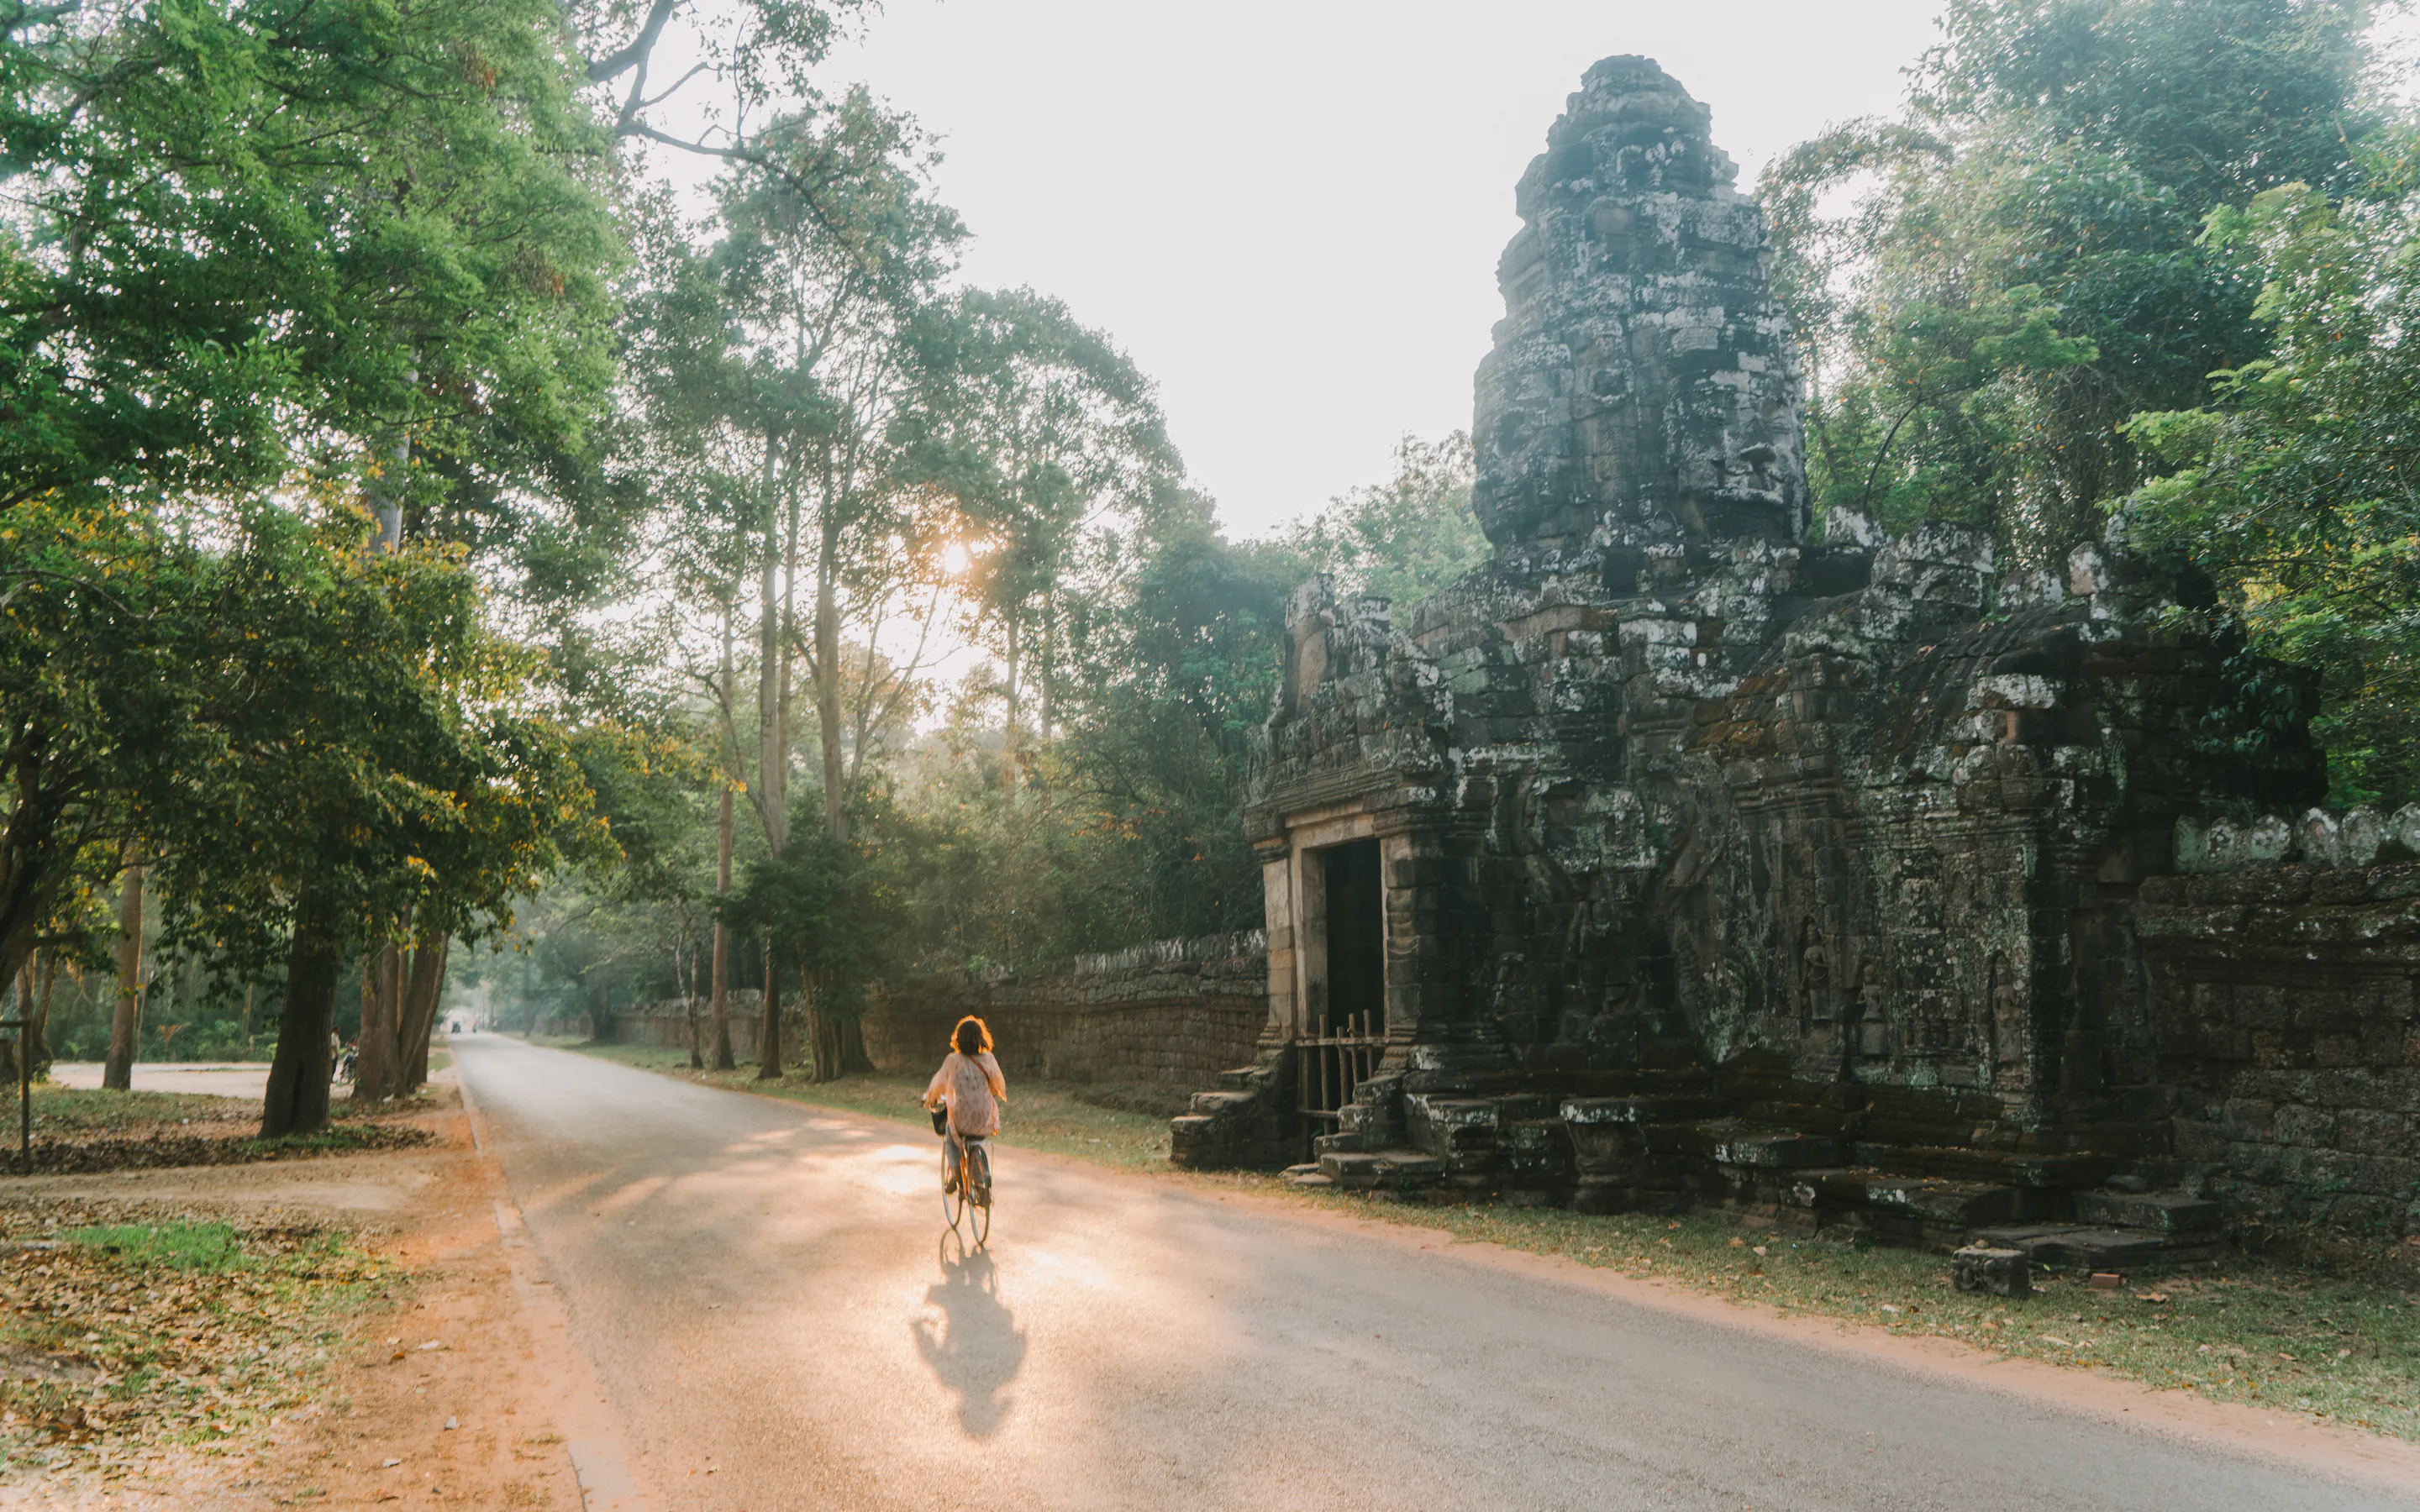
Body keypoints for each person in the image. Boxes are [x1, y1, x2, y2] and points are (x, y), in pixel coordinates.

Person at [922, 1016, 1006, 1203]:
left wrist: (930, 1099)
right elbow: (998, 1086)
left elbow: (939, 1084)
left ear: (958, 1038)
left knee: (952, 1139)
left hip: (961, 1115)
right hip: (985, 1115)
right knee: (975, 1140)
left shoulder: (953, 1061)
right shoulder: (989, 1059)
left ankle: (958, 1180)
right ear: (981, 1038)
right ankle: (980, 1184)